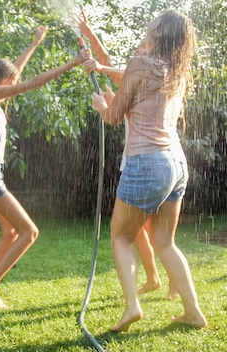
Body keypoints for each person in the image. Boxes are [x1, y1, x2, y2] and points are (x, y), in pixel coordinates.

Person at [89, 10, 207, 332]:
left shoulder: (140, 64)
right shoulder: (177, 72)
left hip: (146, 163)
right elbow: (137, 101)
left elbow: (113, 116)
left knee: (121, 236)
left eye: (152, 25)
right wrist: (103, 72)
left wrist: (102, 105)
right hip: (176, 164)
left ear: (159, 32)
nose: (148, 27)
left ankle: (131, 307)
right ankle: (193, 312)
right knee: (165, 242)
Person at [0, 26, 89, 309]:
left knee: (10, 232)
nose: (15, 82)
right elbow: (29, 83)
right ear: (0, 79)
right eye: (10, 80)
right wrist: (73, 62)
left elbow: (19, 74)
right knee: (29, 232)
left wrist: (35, 44)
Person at [74, 11, 177, 298]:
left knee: (154, 232)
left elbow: (112, 68)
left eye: (140, 49)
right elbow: (109, 63)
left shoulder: (150, 72)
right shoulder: (146, 73)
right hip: (144, 159)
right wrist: (88, 31)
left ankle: (169, 280)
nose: (135, 52)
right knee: (143, 228)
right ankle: (156, 277)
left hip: (149, 159)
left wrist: (103, 78)